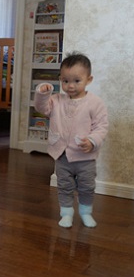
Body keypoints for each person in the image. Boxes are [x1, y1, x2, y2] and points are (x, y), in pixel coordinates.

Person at [34, 52, 108, 228]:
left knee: (87, 187)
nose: (70, 86)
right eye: (65, 81)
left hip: (85, 157)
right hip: (62, 156)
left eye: (76, 81)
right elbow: (41, 108)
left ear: (88, 80)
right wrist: (43, 93)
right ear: (60, 80)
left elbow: (101, 126)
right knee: (64, 186)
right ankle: (66, 213)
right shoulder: (56, 100)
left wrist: (93, 140)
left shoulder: (95, 103)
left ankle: (85, 212)